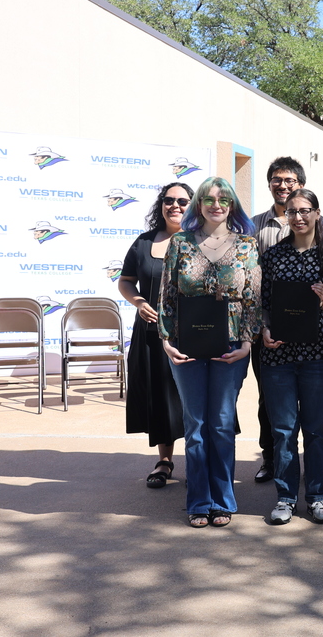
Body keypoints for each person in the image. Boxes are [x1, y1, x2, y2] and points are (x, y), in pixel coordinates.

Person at [159, 177, 261, 528]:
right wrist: (165, 339)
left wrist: (247, 342)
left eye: (224, 199)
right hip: (186, 346)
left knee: (220, 423)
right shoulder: (180, 243)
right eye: (209, 199)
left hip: (231, 346)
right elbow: (167, 295)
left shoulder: (247, 245)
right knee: (196, 425)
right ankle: (199, 500)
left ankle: (223, 499)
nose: (216, 205)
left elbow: (253, 298)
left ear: (233, 205)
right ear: (198, 204)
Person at [261, 189, 323, 525]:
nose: (298, 217)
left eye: (304, 211)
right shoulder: (271, 257)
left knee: (315, 430)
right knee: (284, 431)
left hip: (318, 356)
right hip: (278, 356)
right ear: (284, 215)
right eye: (291, 211)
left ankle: (316, 496)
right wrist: (265, 331)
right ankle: (286, 497)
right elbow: (263, 306)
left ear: (316, 213)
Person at [250, 156, 323, 484]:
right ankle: (270, 459)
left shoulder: (320, 224)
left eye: (290, 181)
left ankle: (310, 477)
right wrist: (262, 325)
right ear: (269, 184)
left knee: (311, 411)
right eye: (277, 180)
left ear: (300, 184)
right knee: (268, 400)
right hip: (270, 330)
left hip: (311, 331)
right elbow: (253, 283)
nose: (283, 186)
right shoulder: (254, 224)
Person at [119, 182, 193, 488]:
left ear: (194, 206)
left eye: (182, 201)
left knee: (195, 401)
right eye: (169, 200)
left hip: (193, 336)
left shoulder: (201, 242)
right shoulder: (143, 243)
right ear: (160, 205)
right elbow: (125, 282)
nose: (175, 205)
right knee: (162, 401)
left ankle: (202, 461)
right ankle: (165, 461)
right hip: (151, 336)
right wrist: (138, 302)